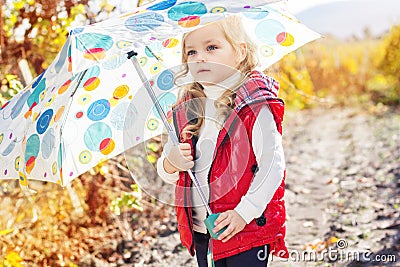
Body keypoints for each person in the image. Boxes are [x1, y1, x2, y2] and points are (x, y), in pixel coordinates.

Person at [156, 15, 288, 267]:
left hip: (242, 227)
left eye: (212, 47)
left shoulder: (252, 103)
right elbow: (171, 174)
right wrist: (171, 163)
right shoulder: (186, 109)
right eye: (191, 51)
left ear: (240, 51)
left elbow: (272, 166)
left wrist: (243, 212)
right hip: (204, 231)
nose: (200, 57)